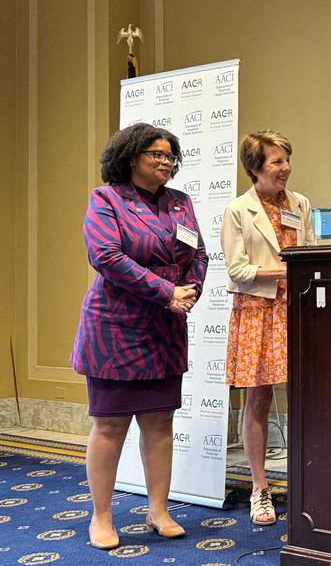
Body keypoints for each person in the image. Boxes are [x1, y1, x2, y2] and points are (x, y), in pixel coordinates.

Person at [72, 123, 208, 550]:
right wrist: (167, 292)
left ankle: (159, 511)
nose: (166, 162)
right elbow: (106, 256)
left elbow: (198, 254)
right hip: (115, 326)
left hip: (166, 327)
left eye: (170, 156)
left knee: (160, 421)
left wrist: (190, 292)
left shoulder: (181, 203)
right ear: (132, 157)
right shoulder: (105, 199)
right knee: (110, 425)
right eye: (156, 155)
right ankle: (101, 517)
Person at [220, 130, 315, 525]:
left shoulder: (301, 203)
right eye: (277, 162)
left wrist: (302, 271)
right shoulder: (238, 211)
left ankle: (309, 481)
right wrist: (286, 270)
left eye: (287, 160)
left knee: (308, 398)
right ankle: (260, 488)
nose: (285, 168)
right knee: (258, 400)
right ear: (255, 168)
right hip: (258, 311)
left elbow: (309, 251)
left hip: (297, 308)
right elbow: (238, 270)